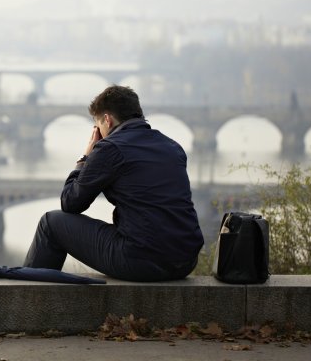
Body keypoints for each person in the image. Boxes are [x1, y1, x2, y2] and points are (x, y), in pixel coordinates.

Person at [23, 84, 204, 281]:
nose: (98, 131)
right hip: (185, 260)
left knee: (50, 223)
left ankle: (27, 299)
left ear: (107, 120)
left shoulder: (111, 148)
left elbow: (70, 203)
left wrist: (85, 157)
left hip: (141, 260)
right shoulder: (172, 147)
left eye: (97, 124)